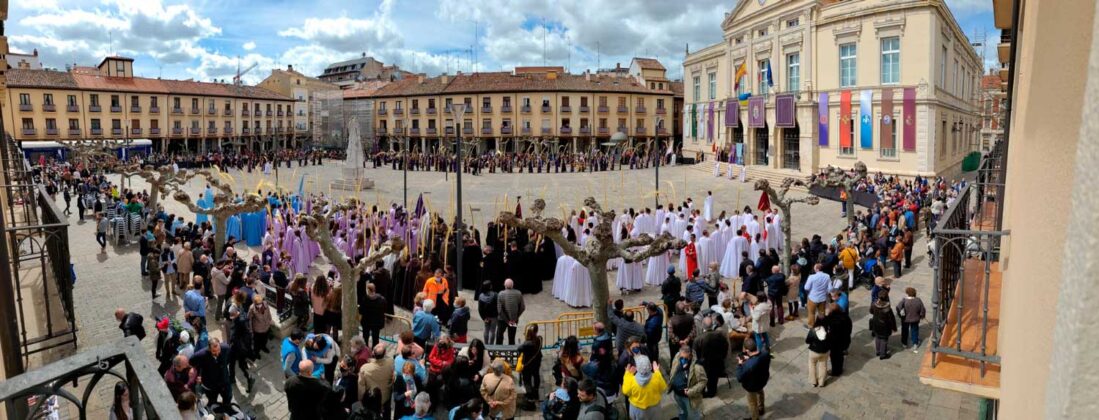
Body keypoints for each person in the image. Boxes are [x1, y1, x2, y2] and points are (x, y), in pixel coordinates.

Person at [621, 354, 666, 420]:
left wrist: (627, 374)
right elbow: (663, 388)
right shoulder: (657, 378)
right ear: (650, 366)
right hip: (654, 408)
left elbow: (625, 391)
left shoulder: (631, 380)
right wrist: (657, 372)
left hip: (638, 409)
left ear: (637, 368)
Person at [694, 313, 727, 397]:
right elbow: (725, 347)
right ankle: (712, 392)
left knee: (703, 379)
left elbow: (695, 353)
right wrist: (722, 357)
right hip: (717, 361)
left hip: (704, 363)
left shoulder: (698, 339)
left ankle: (704, 392)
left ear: (703, 326)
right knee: (713, 378)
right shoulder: (719, 335)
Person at [191, 337, 232, 406]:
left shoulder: (225, 348)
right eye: (214, 351)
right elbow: (191, 362)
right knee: (212, 402)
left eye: (218, 350)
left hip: (224, 382)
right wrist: (198, 374)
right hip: (210, 386)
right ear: (209, 349)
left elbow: (229, 358)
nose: (217, 353)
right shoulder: (202, 354)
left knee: (228, 399)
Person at [736, 339, 770, 420]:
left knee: (752, 403)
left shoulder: (748, 365)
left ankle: (755, 418)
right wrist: (750, 358)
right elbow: (757, 358)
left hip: (751, 386)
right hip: (762, 380)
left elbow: (739, 377)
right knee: (760, 393)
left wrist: (740, 365)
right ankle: (761, 408)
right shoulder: (765, 353)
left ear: (747, 350)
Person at [669, 346, 706, 420]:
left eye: (685, 358)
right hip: (677, 394)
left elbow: (703, 381)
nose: (683, 360)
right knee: (682, 411)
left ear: (690, 356)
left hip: (689, 398)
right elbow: (673, 371)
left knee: (693, 415)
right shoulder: (677, 357)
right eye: (681, 357)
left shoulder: (697, 367)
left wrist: (691, 391)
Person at [358, 343, 395, 417]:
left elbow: (361, 387)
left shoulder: (365, 368)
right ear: (384, 354)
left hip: (371, 399)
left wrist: (360, 400)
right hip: (386, 397)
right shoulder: (391, 363)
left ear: (373, 353)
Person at [227, 306, 256, 393]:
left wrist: (232, 341)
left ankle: (247, 378)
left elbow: (235, 335)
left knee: (235, 363)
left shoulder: (239, 322)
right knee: (237, 364)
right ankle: (236, 378)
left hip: (238, 348)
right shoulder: (241, 316)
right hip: (240, 348)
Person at [518, 325, 543, 409]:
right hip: (536, 362)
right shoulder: (539, 339)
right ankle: (536, 391)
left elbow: (519, 348)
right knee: (536, 376)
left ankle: (530, 399)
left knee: (527, 381)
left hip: (528, 365)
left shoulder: (527, 344)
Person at [824, 303, 853, 376]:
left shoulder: (833, 321)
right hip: (845, 341)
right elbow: (850, 328)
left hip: (836, 344)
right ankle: (839, 368)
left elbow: (832, 335)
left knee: (834, 358)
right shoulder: (846, 317)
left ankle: (836, 371)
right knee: (840, 356)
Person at [896, 287, 927, 352]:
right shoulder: (918, 300)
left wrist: (900, 315)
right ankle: (915, 343)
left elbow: (898, 308)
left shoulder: (904, 301)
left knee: (904, 331)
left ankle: (904, 343)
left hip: (905, 320)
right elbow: (922, 309)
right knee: (914, 331)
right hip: (915, 319)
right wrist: (922, 316)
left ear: (907, 293)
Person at [870, 290, 898, 359]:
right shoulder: (887, 308)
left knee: (877, 337)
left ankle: (878, 351)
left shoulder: (874, 304)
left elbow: (871, 311)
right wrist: (894, 328)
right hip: (884, 326)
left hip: (876, 323)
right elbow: (892, 319)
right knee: (884, 339)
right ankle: (883, 355)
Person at [496, 279, 525, 345]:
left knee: (499, 335)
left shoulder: (500, 294)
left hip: (502, 320)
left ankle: (498, 351)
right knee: (512, 337)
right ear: (513, 285)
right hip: (513, 320)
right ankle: (511, 352)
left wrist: (507, 321)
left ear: (504, 285)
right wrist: (516, 318)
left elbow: (499, 310)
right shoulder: (518, 293)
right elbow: (522, 307)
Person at [360, 283, 388, 347]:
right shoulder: (382, 299)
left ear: (368, 290)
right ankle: (375, 351)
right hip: (377, 323)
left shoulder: (365, 299)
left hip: (366, 322)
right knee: (375, 338)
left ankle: (365, 350)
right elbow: (385, 309)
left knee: (365, 337)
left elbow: (361, 311)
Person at [806, 317, 830, 387]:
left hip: (813, 352)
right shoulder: (828, 331)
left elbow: (807, 341)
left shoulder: (813, 331)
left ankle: (813, 382)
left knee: (812, 365)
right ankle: (821, 382)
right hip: (824, 352)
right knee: (823, 366)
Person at [249, 294, 273, 358]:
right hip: (258, 329)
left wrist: (270, 320)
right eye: (257, 304)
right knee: (257, 343)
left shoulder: (265, 304)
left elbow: (268, 312)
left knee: (265, 339)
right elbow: (249, 319)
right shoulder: (252, 308)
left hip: (266, 326)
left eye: (260, 303)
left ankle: (263, 347)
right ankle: (256, 353)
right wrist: (251, 329)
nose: (259, 305)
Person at [477, 280, 499, 345]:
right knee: (492, 331)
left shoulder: (481, 296)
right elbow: (498, 306)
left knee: (486, 330)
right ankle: (491, 344)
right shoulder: (495, 295)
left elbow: (480, 309)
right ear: (489, 287)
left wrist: (483, 318)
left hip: (486, 317)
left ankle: (486, 344)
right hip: (494, 316)